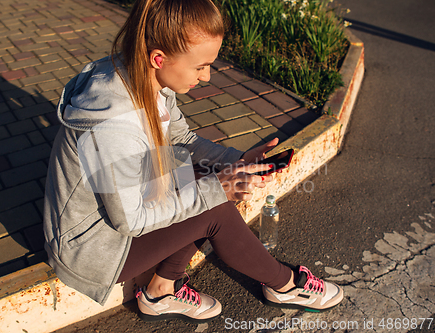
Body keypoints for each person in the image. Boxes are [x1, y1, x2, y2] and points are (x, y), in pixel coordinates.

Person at [43, 0, 343, 324]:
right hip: (92, 245)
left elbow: (181, 141)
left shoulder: (148, 77)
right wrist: (217, 189)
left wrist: (237, 160)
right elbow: (130, 221)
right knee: (212, 204)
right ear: (159, 58)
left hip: (119, 211)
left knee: (203, 177)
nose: (207, 76)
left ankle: (161, 289)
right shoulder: (114, 125)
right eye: (200, 66)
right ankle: (284, 285)